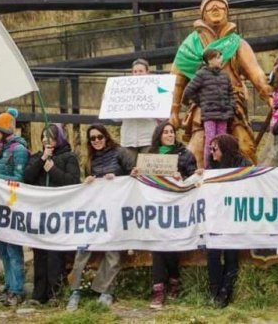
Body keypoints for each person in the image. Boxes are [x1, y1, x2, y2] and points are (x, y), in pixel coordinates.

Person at [170, 0, 273, 165]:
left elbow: (256, 73)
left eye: (220, 6)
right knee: (197, 150)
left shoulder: (238, 44)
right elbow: (177, 80)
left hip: (231, 105)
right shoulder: (189, 47)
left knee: (245, 148)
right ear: (203, 14)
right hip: (204, 110)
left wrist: (268, 96)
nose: (216, 8)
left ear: (227, 12)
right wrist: (174, 110)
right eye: (211, 7)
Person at [67, 124, 134, 311]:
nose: (96, 141)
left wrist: (118, 179)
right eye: (92, 138)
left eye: (99, 137)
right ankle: (76, 290)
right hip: (96, 211)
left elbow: (134, 176)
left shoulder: (121, 153)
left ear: (106, 137)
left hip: (117, 210)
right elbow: (89, 187)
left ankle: (105, 290)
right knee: (83, 248)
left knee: (113, 251)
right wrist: (87, 182)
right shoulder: (89, 160)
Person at [132, 121, 199, 310]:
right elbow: (143, 180)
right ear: (159, 135)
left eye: (172, 132)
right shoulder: (149, 156)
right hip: (155, 207)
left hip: (176, 206)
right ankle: (160, 288)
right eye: (166, 132)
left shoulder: (184, 155)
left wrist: (182, 179)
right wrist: (136, 174)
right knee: (158, 245)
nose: (170, 135)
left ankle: (173, 279)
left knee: (168, 244)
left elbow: (193, 179)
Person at [23, 123, 81, 305]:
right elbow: (27, 177)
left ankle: (54, 292)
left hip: (59, 211)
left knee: (55, 253)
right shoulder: (37, 157)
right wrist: (42, 161)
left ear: (59, 138)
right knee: (40, 252)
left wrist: (52, 169)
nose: (46, 140)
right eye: (44, 137)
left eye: (51, 137)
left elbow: (71, 181)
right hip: (40, 211)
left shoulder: (69, 157)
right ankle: (39, 294)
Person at [0, 108, 29, 307]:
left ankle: (18, 290)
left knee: (13, 250)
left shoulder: (18, 150)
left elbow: (19, 178)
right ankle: (9, 287)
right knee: (2, 249)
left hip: (13, 205)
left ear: (5, 130)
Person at [206, 134, 252, 308]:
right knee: (213, 254)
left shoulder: (244, 164)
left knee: (232, 255)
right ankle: (214, 290)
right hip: (217, 216)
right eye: (210, 149)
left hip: (235, 216)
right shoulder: (212, 166)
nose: (212, 153)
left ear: (225, 149)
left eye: (215, 149)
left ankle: (226, 292)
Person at [182, 48, 234, 168]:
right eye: (217, 57)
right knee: (210, 141)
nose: (221, 59)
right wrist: (202, 102)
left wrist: (230, 107)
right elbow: (189, 90)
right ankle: (208, 167)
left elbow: (230, 93)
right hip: (209, 115)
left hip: (224, 114)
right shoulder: (201, 74)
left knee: (222, 142)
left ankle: (222, 166)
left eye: (221, 57)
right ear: (209, 60)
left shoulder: (224, 74)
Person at [120, 59, 159, 163]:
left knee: (147, 173)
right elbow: (115, 118)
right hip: (128, 141)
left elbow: (163, 117)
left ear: (147, 72)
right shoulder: (123, 90)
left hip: (148, 139)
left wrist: (166, 100)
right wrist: (107, 102)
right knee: (129, 173)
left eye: (141, 71)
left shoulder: (156, 89)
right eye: (135, 71)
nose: (138, 74)